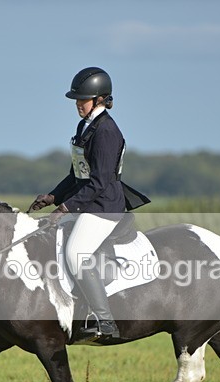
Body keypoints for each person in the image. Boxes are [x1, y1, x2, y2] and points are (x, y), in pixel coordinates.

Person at [30, 67, 149, 342]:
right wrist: (53, 197)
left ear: (99, 99)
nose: (77, 105)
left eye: (82, 99)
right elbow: (77, 174)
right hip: (89, 203)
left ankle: (104, 320)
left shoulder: (106, 130)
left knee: (76, 252)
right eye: (76, 100)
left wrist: (65, 209)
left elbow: (99, 182)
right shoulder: (86, 126)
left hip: (104, 207)